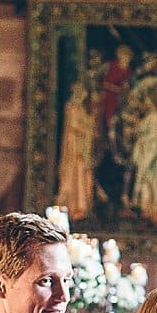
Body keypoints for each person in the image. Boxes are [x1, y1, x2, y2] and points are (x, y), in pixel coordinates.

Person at [55, 80, 98, 220]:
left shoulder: (80, 109)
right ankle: (75, 206)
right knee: (76, 174)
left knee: (84, 175)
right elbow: (74, 126)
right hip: (75, 148)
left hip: (82, 148)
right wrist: (88, 129)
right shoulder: (72, 108)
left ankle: (82, 206)